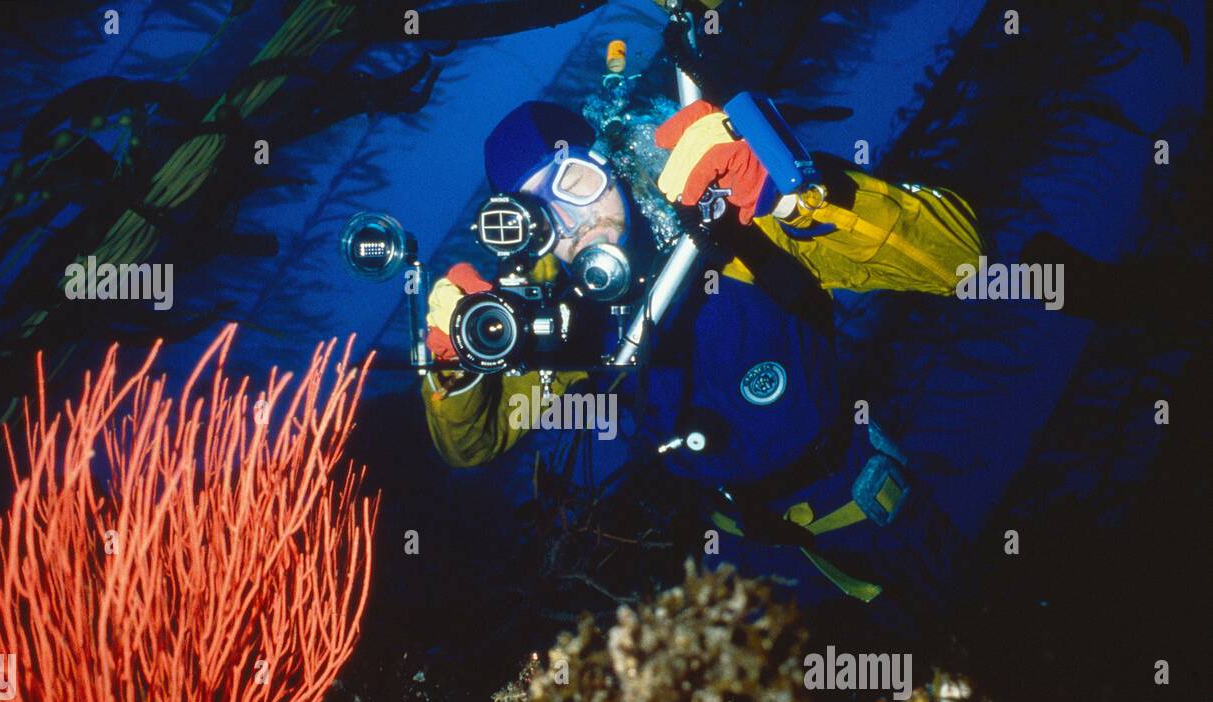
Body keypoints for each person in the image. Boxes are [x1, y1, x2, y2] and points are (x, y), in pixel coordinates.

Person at [419, 98, 985, 613]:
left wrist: (796, 194)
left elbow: (961, 259)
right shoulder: (570, 318)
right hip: (735, 561)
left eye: (575, 182)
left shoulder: (741, 214)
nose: (573, 223)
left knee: (981, 663)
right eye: (539, 214)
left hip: (870, 513)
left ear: (613, 163)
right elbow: (475, 442)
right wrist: (453, 369)